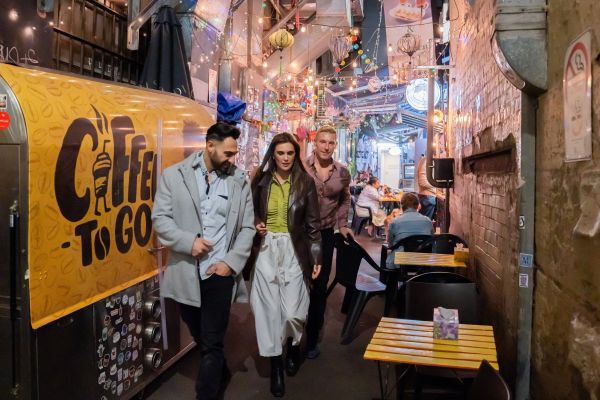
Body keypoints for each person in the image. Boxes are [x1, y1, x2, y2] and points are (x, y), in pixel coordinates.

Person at [151, 122, 256, 400]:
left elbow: (247, 228)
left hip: (219, 272)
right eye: (228, 152)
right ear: (210, 145)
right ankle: (220, 369)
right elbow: (160, 219)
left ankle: (207, 393)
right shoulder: (174, 176)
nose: (232, 159)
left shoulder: (239, 180)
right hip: (186, 271)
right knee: (197, 330)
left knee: (212, 341)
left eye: (234, 153)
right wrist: (189, 242)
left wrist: (230, 263)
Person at [249, 132, 322, 397]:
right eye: (280, 153)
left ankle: (292, 344)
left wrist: (316, 256)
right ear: (273, 153)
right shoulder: (261, 180)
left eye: (290, 153)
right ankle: (276, 365)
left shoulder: (305, 182)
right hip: (266, 248)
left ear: (296, 154)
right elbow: (250, 210)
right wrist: (257, 221)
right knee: (268, 313)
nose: (285, 158)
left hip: (294, 249)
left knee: (293, 312)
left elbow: (313, 224)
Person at [305, 125, 353, 359]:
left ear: (335, 145)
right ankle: (292, 334)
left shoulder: (343, 173)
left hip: (325, 234)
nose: (326, 146)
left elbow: (345, 199)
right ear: (315, 143)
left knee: (320, 286)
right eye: (322, 141)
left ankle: (312, 337)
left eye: (330, 143)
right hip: (300, 233)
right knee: (297, 282)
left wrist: (342, 224)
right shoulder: (300, 168)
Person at [387, 192, 433, 266]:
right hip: (423, 260)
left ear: (401, 205)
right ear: (418, 205)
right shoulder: (428, 221)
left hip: (401, 262)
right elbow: (431, 241)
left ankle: (386, 276)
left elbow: (390, 244)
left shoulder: (394, 222)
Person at [417, 155, 437, 219]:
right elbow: (422, 182)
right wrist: (438, 187)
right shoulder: (426, 161)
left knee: (426, 224)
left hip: (428, 198)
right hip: (427, 198)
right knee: (425, 225)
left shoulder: (427, 160)